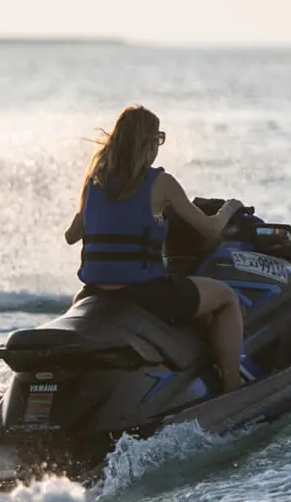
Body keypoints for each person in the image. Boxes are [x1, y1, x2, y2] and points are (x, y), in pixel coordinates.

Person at [64, 105, 244, 393]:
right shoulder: (160, 183)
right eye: (158, 138)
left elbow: (71, 236)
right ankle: (233, 389)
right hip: (145, 292)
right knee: (225, 298)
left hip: (95, 291)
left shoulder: (94, 180)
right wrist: (228, 210)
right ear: (148, 143)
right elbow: (210, 230)